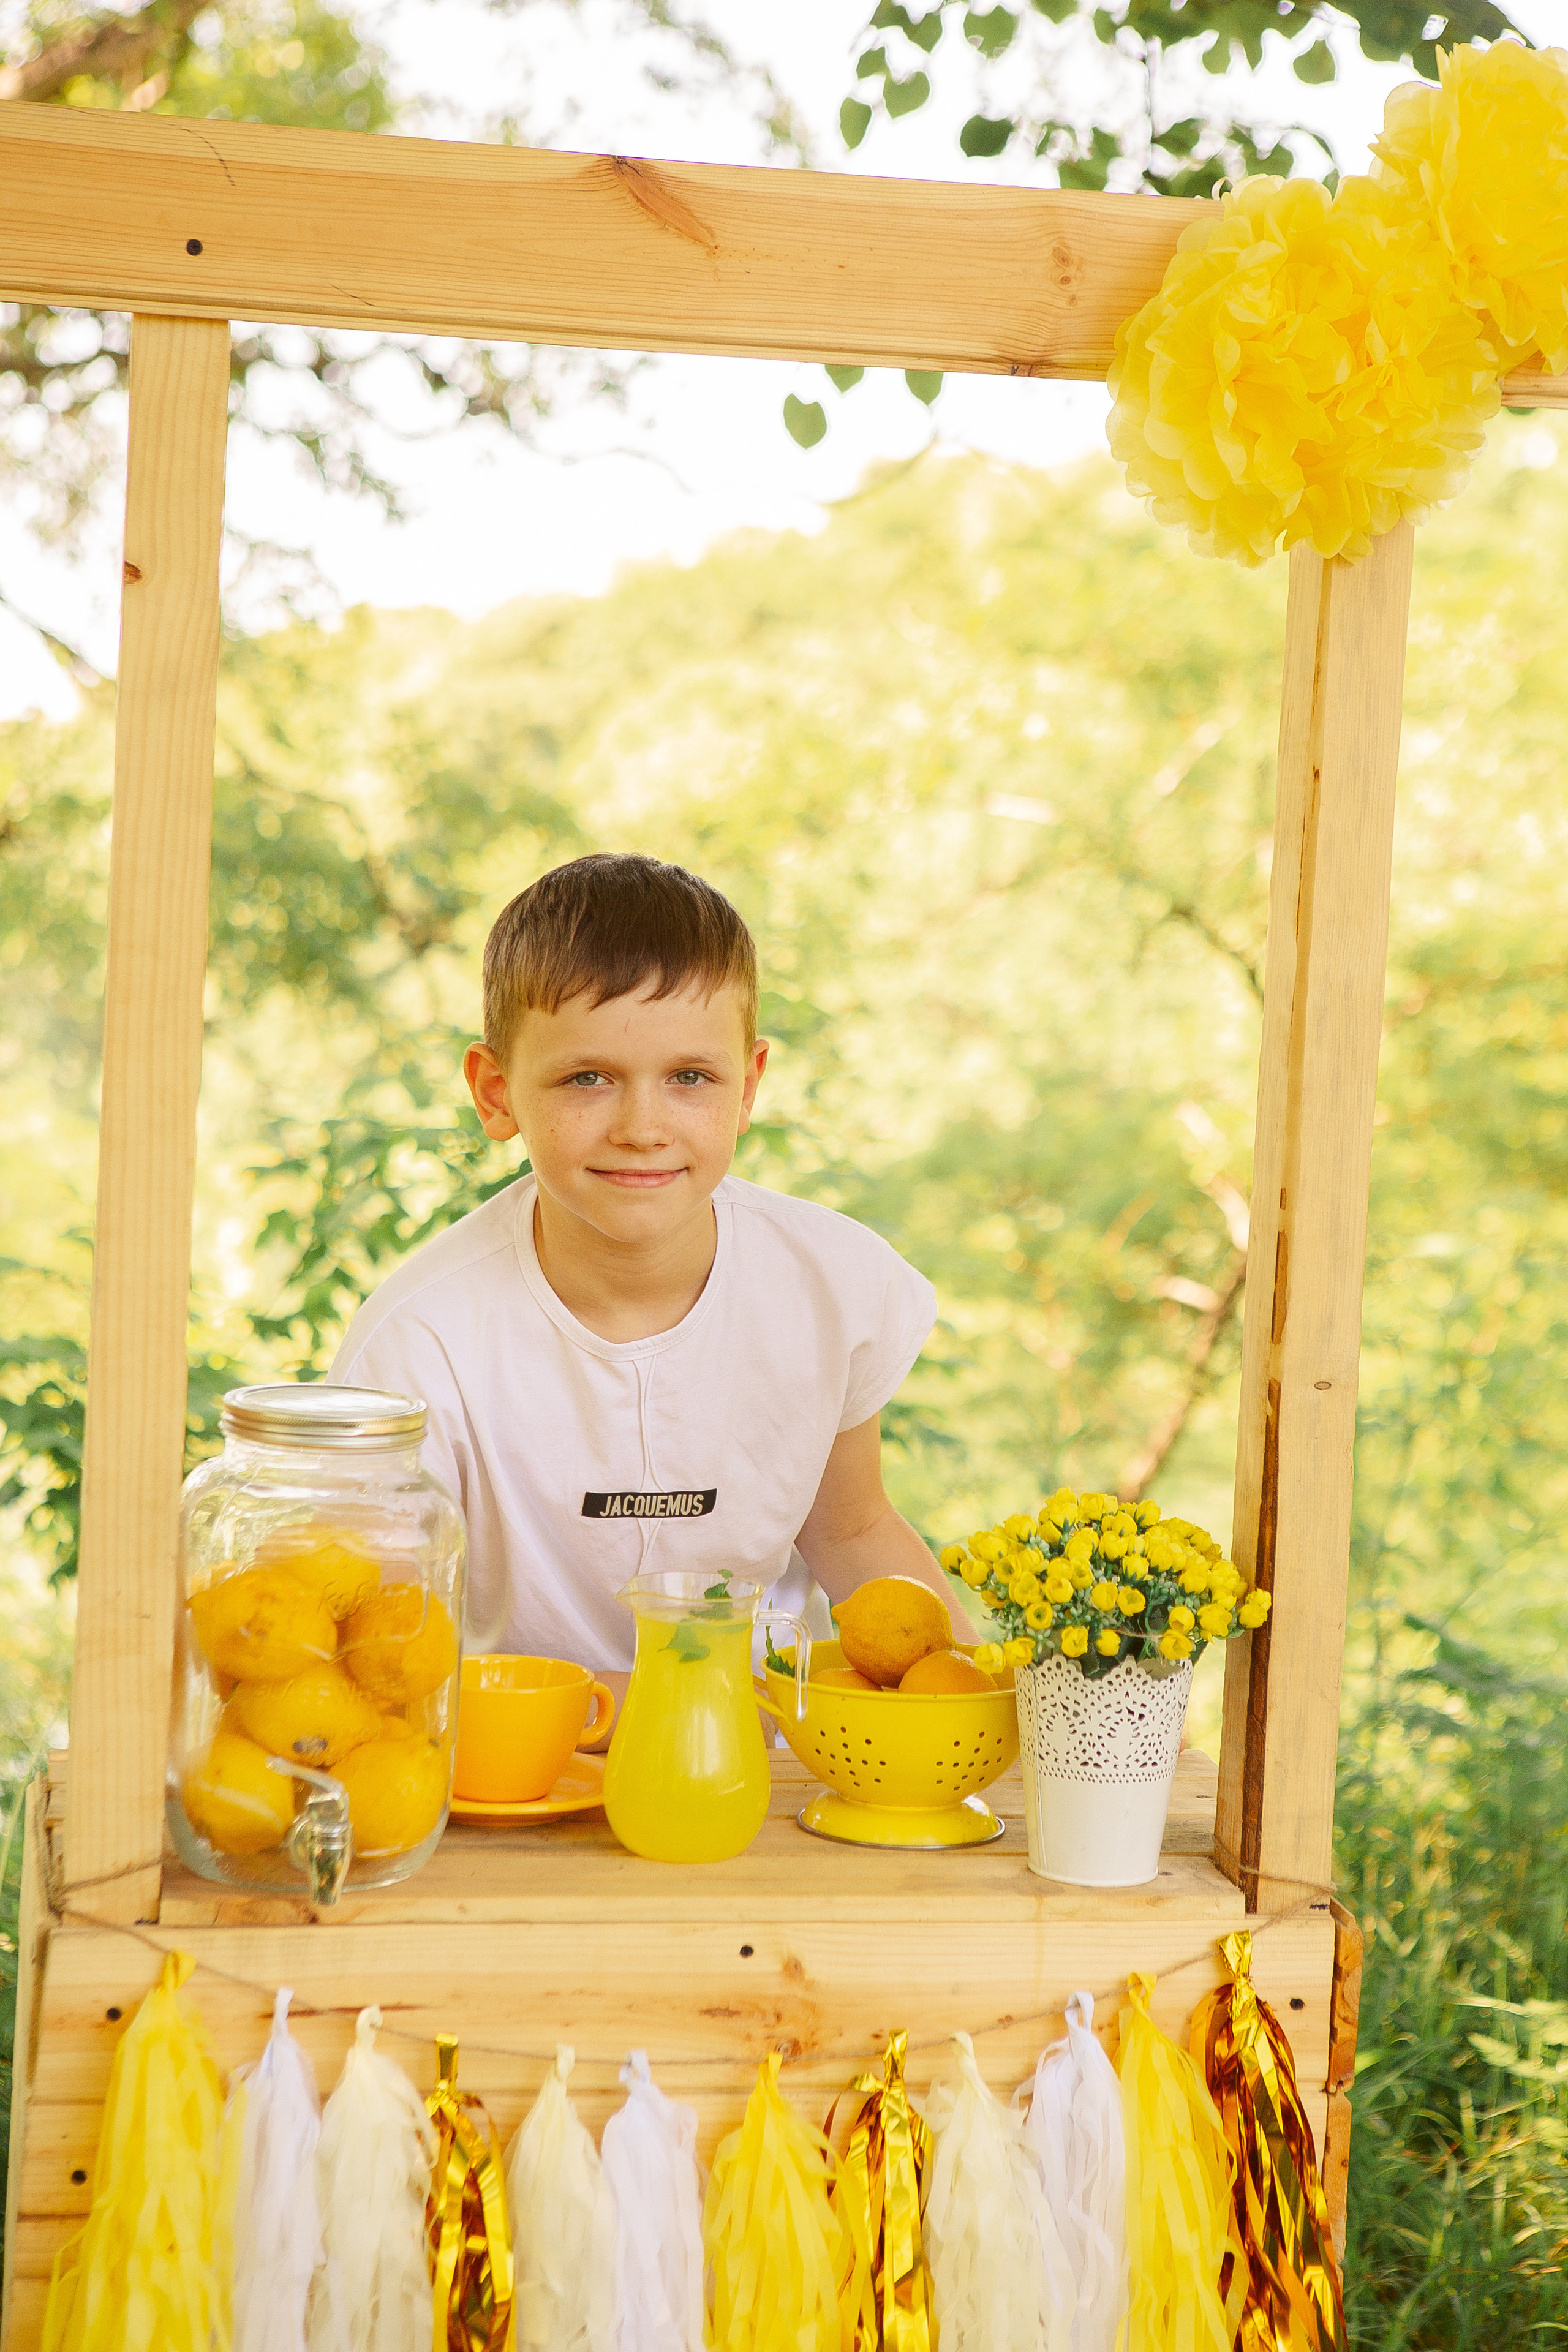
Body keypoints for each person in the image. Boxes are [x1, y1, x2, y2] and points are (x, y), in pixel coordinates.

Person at [330, 852, 970, 1713]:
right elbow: (378, 1643)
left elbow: (851, 1526)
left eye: (690, 1078)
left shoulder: (832, 1286)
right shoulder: (418, 1344)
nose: (643, 1127)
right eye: (587, 1079)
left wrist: (976, 1701)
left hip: (770, 1762)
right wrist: (645, 1706)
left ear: (748, 1087)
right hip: (523, 1768)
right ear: (496, 1093)